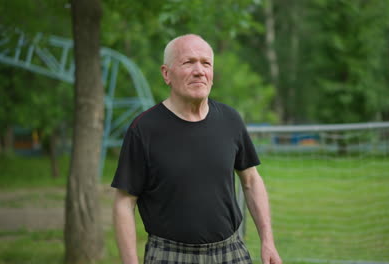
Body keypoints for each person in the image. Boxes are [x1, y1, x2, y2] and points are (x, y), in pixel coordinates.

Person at [112, 34, 282, 264]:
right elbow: (124, 202)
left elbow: (251, 180)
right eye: (188, 62)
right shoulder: (143, 129)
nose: (199, 70)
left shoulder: (230, 120)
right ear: (166, 73)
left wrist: (267, 241)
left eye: (206, 63)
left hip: (231, 251)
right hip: (169, 255)